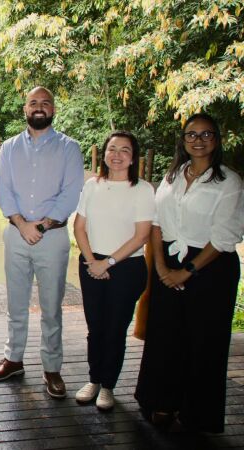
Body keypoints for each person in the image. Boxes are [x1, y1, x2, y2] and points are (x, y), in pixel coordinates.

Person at [135, 113, 244, 432]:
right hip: (166, 258)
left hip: (211, 265)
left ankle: (197, 411)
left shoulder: (229, 181)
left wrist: (186, 272)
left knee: (205, 341)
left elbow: (225, 235)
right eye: (191, 135)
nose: (198, 140)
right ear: (183, 140)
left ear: (217, 139)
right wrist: (160, 268)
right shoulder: (172, 176)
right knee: (165, 335)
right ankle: (160, 401)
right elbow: (156, 222)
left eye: (206, 134)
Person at [0, 86, 84, 398]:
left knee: (51, 308)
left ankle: (52, 367)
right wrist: (21, 224)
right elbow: (4, 192)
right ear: (25, 109)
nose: (39, 107)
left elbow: (70, 195)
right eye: (33, 102)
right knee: (16, 304)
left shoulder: (70, 148)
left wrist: (39, 226)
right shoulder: (10, 148)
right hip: (15, 235)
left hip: (52, 239)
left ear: (53, 110)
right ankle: (13, 359)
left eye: (45, 102)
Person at [73, 131, 154, 410]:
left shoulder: (142, 189)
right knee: (95, 328)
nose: (117, 155)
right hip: (91, 262)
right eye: (112, 149)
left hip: (126, 267)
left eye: (125, 150)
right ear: (104, 153)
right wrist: (92, 261)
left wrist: (107, 263)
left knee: (115, 328)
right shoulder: (92, 186)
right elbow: (79, 227)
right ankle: (94, 379)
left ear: (133, 157)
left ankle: (108, 385)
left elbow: (141, 235)